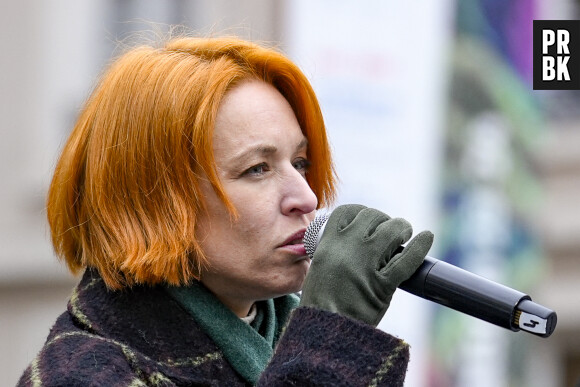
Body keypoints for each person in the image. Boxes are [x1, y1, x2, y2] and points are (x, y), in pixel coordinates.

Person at [17, 36, 433, 386]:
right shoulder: (81, 374)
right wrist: (334, 334)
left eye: (301, 162)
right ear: (154, 201)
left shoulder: (277, 335)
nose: (306, 197)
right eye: (257, 168)